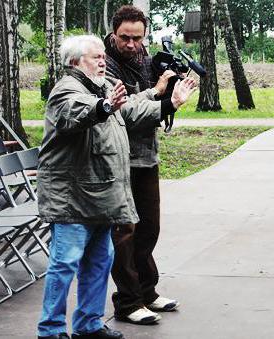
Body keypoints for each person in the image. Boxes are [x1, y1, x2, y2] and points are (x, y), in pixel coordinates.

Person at [37, 34, 196, 339]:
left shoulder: (104, 87)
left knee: (99, 263)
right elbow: (77, 113)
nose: (102, 61)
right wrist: (104, 106)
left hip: (100, 197)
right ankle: (51, 331)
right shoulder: (66, 90)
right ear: (74, 62)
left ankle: (89, 325)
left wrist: (168, 101)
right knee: (65, 265)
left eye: (102, 56)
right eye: (95, 57)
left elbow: (131, 110)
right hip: (71, 199)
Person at [104, 5, 189, 325]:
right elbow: (123, 113)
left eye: (137, 38)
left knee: (149, 227)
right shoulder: (105, 65)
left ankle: (147, 291)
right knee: (124, 232)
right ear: (114, 33)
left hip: (146, 155)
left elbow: (155, 103)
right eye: (125, 37)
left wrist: (171, 81)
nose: (131, 44)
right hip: (117, 159)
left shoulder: (146, 59)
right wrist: (163, 97)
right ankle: (127, 303)